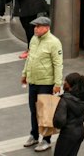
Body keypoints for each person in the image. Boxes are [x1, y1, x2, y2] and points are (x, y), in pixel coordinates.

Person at [21, 16, 64, 153]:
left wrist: (57, 83)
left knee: (45, 112)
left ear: (46, 28)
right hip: (33, 81)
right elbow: (29, 58)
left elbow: (58, 64)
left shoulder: (54, 43)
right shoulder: (34, 40)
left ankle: (46, 139)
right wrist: (24, 74)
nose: (35, 29)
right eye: (35, 26)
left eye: (38, 26)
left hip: (46, 83)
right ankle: (34, 135)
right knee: (33, 110)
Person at [53, 72, 84, 156]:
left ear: (70, 85)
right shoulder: (83, 98)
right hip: (80, 131)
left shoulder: (65, 100)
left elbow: (59, 121)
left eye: (65, 81)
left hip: (67, 134)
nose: (63, 83)